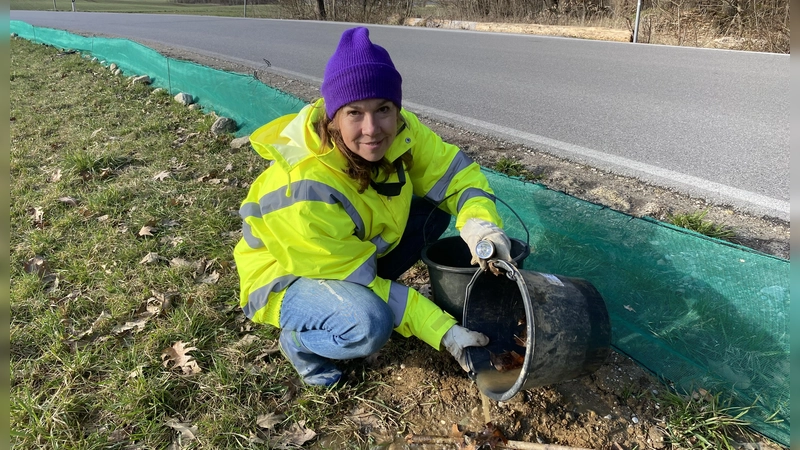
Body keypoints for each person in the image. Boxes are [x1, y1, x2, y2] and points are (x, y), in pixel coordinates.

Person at [234, 26, 514, 386]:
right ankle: (303, 344)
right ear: (333, 116)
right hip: (286, 277)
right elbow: (347, 272)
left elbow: (458, 177)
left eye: (383, 109)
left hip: (349, 253)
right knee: (370, 323)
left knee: (440, 203)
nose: (373, 129)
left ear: (396, 108)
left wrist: (480, 225)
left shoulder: (402, 130)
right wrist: (441, 329)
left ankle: (374, 300)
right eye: (355, 113)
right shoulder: (304, 189)